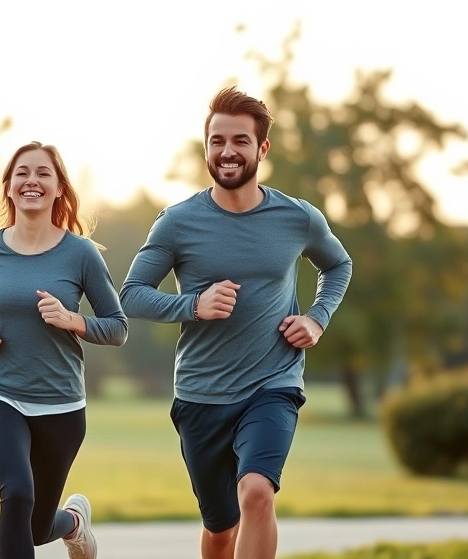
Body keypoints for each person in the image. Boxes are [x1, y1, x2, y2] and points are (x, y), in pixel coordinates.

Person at [119, 87, 353, 559]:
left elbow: (338, 265)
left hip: (273, 384)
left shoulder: (297, 217)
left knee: (257, 494)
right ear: (206, 148)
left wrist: (317, 318)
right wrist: (193, 305)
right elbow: (131, 295)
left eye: (240, 141)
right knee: (221, 530)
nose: (228, 151)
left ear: (262, 149)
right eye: (218, 141)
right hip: (201, 394)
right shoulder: (177, 222)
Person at [0, 141, 128, 559]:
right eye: (22, 173)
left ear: (59, 188)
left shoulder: (80, 253)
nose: (32, 181)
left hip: (60, 402)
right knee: (16, 494)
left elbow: (118, 328)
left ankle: (73, 524)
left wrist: (72, 320)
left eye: (43, 173)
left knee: (36, 527)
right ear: (8, 187)